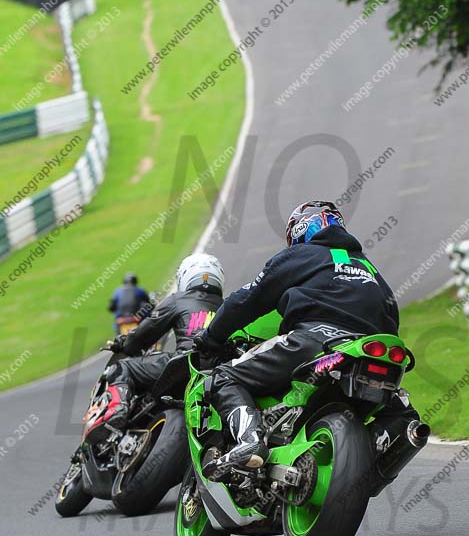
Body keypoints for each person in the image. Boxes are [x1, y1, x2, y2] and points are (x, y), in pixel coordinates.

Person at [194, 200, 419, 478]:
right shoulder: (370, 269)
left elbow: (246, 300)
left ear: (299, 230)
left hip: (314, 341)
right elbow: (391, 316)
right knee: (406, 417)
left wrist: (210, 339)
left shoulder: (301, 255)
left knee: (223, 378)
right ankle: (367, 469)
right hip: (372, 351)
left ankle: (250, 441)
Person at [84, 254, 225, 444]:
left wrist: (125, 343)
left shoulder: (178, 299)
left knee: (123, 368)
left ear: (186, 276)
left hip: (185, 364)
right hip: (218, 375)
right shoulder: (227, 306)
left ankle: (117, 408)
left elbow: (144, 333)